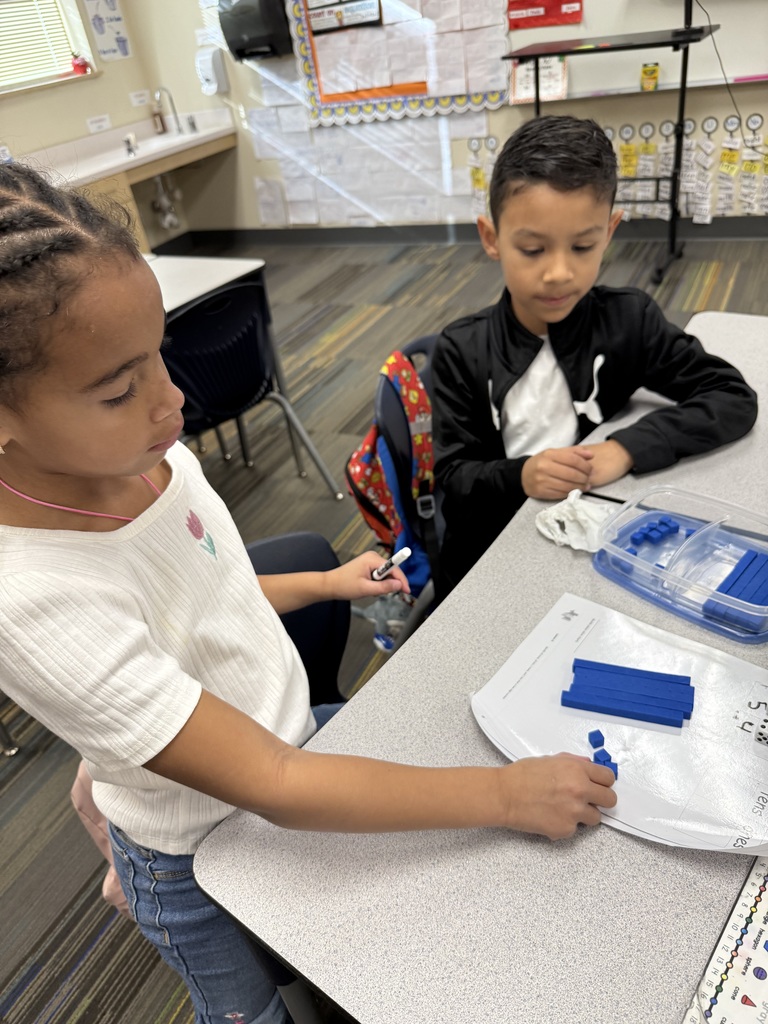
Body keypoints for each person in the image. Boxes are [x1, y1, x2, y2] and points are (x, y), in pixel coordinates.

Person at [0, 162, 617, 1024]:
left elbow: (203, 594)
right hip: (195, 849)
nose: (173, 401)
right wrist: (508, 797)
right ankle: (134, 868)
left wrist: (325, 581)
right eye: (118, 388)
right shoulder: (28, 600)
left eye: (160, 355)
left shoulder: (150, 457)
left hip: (282, 740)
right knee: (252, 1013)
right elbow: (274, 780)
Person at [431, 115, 758, 596]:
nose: (559, 273)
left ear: (610, 231)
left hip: (592, 542)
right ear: (492, 238)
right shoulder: (462, 350)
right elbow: (454, 480)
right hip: (492, 559)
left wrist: (626, 448)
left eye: (582, 246)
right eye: (532, 249)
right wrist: (519, 474)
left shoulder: (628, 321)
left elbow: (731, 396)